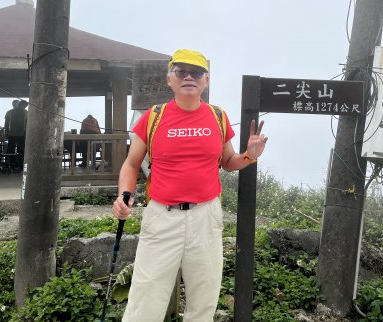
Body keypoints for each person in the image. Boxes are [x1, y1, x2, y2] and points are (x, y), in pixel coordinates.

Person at [112, 49, 268, 322]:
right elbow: (131, 164)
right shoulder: (153, 117)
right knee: (145, 300)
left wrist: (249, 156)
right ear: (169, 79)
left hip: (205, 217)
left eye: (196, 72)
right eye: (181, 71)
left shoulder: (218, 117)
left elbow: (228, 161)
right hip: (161, 216)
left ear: (205, 81)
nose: (189, 77)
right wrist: (124, 195)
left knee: (203, 299)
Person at [5, 100, 28, 171]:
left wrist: (7, 130)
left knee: (16, 150)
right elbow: (6, 123)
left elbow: (6, 123)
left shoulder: (10, 112)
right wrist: (7, 131)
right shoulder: (25, 112)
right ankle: (14, 165)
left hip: (17, 134)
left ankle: (15, 165)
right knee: (16, 150)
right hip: (18, 134)